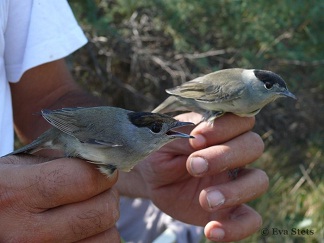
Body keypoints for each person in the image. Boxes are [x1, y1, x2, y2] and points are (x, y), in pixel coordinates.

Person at [0, 0, 269, 242]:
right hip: (60, 138)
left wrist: (151, 174)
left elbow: (47, 96)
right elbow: (68, 125)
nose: (167, 131)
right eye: (156, 129)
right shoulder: (115, 135)